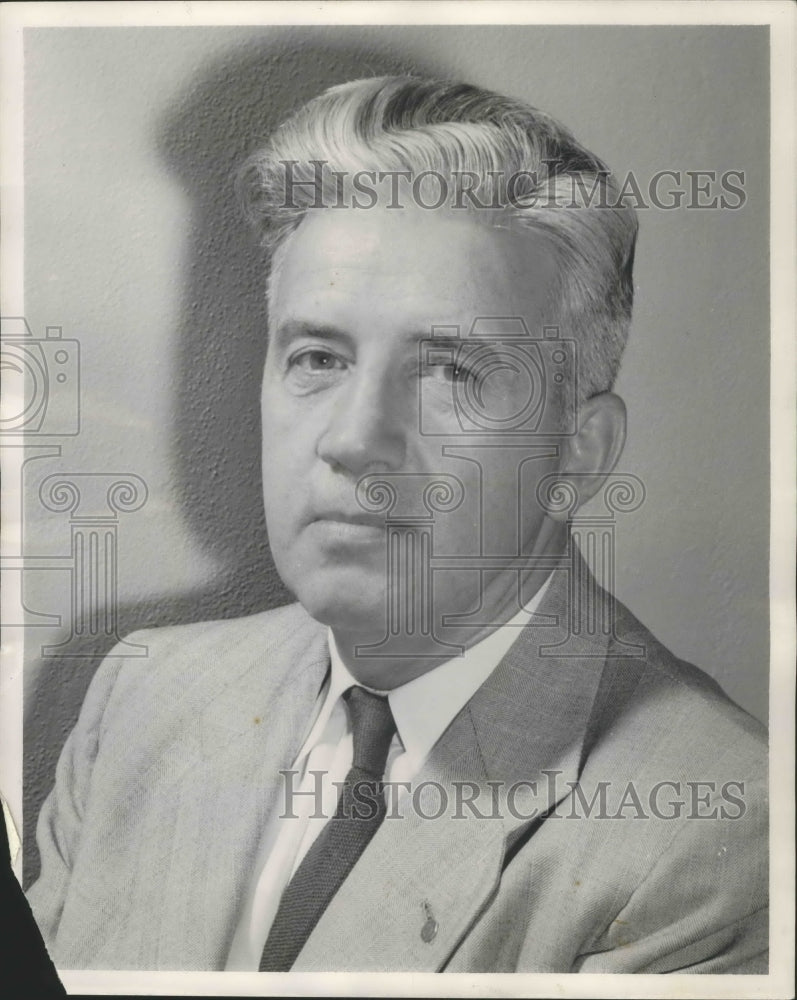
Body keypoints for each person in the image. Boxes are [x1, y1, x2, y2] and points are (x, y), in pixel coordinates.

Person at [27, 76, 767, 974]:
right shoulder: (139, 697)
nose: (352, 440)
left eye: (449, 371)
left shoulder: (721, 838)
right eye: (317, 357)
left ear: (578, 450)